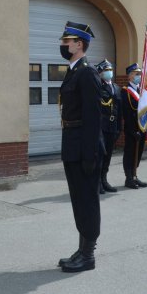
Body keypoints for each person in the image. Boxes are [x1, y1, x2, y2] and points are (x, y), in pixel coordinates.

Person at [56, 21, 103, 273]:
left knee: (87, 201)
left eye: (66, 42)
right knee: (78, 200)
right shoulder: (74, 71)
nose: (63, 45)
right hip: (72, 145)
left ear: (79, 44)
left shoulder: (87, 73)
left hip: (84, 149)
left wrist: (90, 155)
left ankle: (88, 255)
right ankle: (81, 249)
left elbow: (94, 118)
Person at [96, 59, 122, 194]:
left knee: (108, 155)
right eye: (106, 70)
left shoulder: (117, 88)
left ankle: (104, 180)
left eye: (110, 70)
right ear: (100, 73)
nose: (109, 72)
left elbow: (119, 109)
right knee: (100, 155)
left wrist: (119, 128)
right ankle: (98, 183)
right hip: (102, 126)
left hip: (113, 125)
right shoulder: (98, 87)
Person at [121, 63, 147, 189]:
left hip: (141, 128)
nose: (139, 76)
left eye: (140, 74)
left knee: (139, 152)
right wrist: (133, 131)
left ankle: (135, 175)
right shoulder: (125, 91)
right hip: (132, 129)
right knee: (130, 153)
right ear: (130, 76)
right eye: (136, 74)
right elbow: (127, 113)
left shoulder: (141, 90)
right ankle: (128, 178)